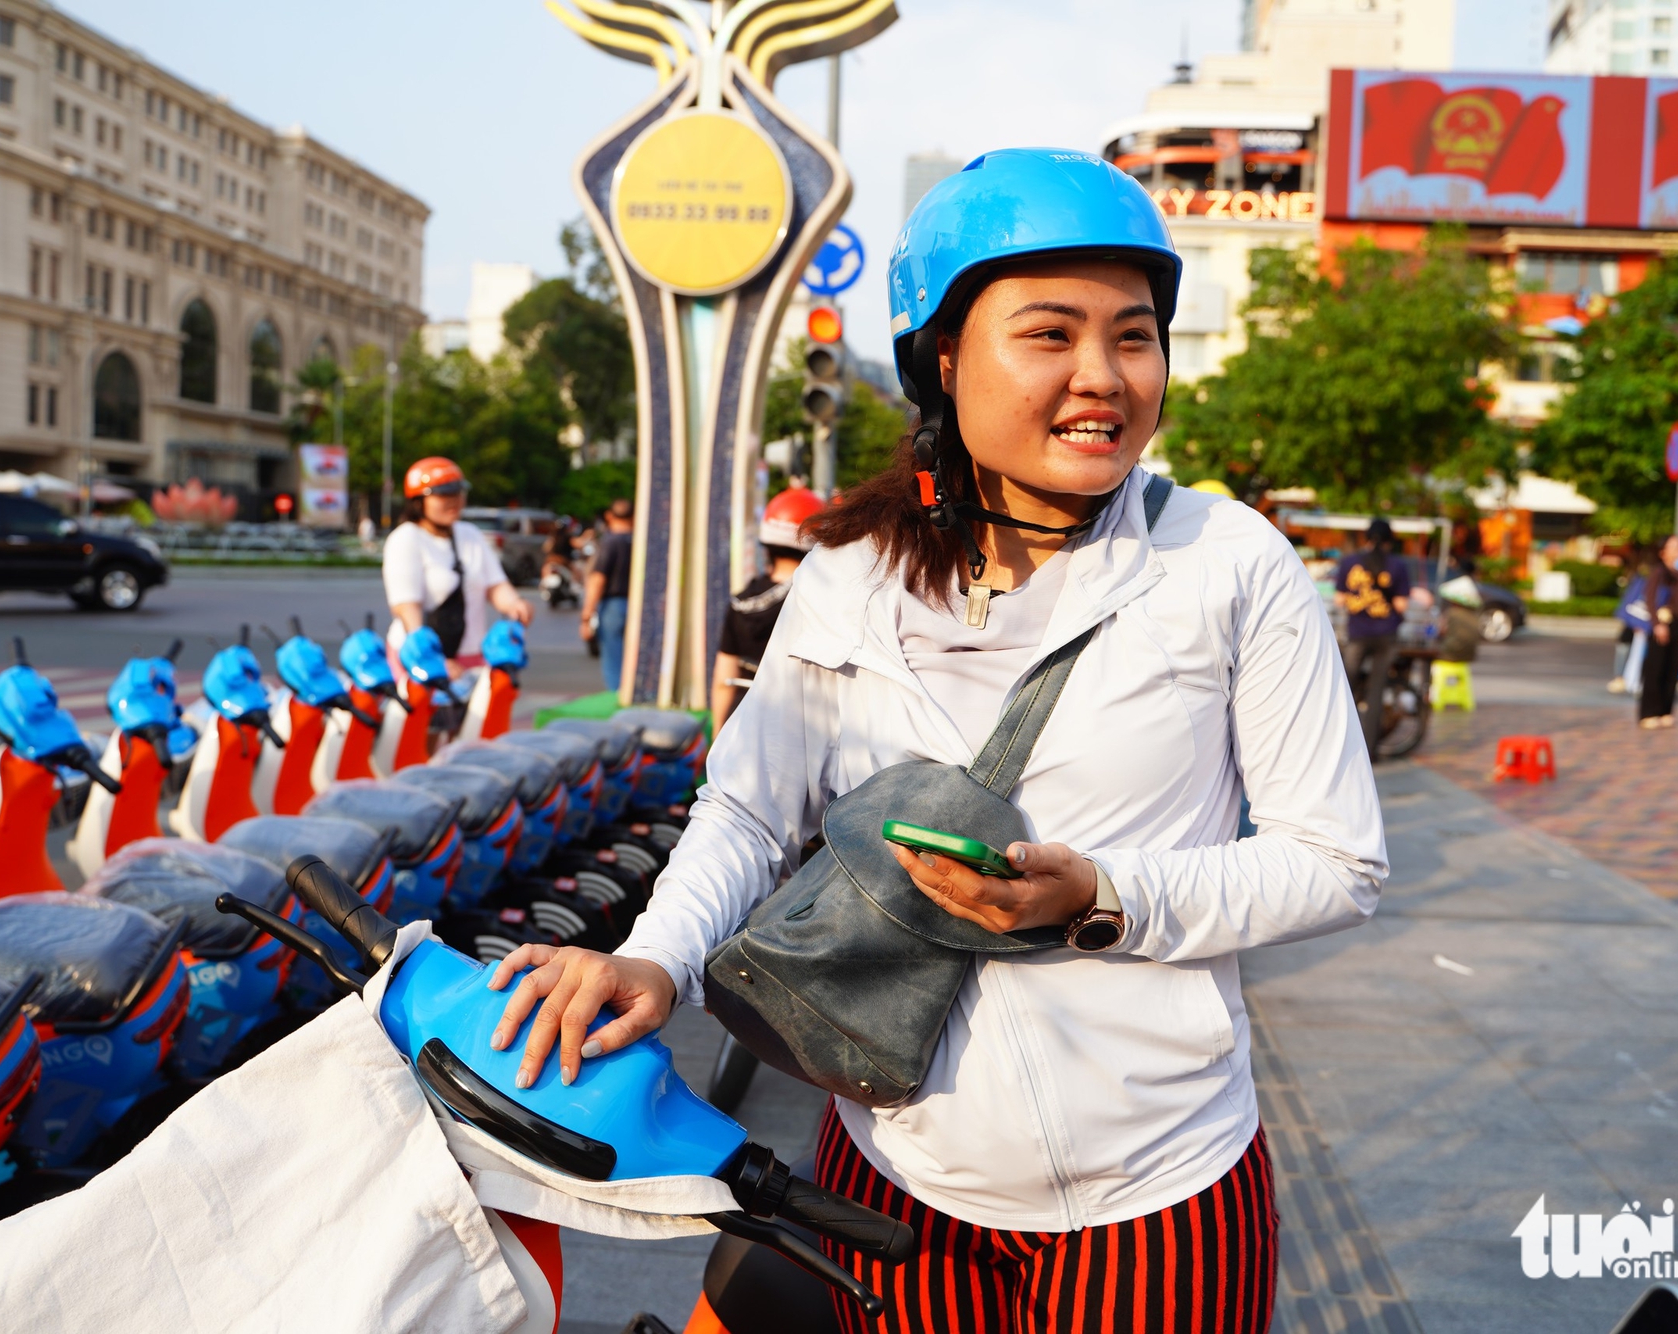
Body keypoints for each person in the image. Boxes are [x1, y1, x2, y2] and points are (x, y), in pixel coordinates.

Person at [483, 148, 1384, 1334]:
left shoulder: (1227, 565)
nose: (1101, 377)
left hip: (1162, 1192)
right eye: (1049, 334)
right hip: (892, 1182)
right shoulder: (849, 580)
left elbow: (1335, 860)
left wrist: (1104, 896)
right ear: (944, 356)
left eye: (1132, 335)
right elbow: (750, 811)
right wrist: (652, 959)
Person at [382, 457, 532, 669]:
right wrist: (433, 660)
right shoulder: (406, 539)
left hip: (472, 656)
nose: (454, 500)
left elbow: (495, 585)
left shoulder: (470, 534)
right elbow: (407, 607)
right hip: (420, 658)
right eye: (444, 494)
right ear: (419, 502)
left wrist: (515, 604)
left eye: (458, 492)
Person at [711, 481, 823, 734]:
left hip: (742, 719)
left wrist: (718, 736)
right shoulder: (820, 603)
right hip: (799, 724)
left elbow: (723, 680)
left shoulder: (741, 602)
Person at [1335, 517, 1412, 759]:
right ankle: (1369, 751)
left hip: (1358, 634)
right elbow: (1401, 605)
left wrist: (1359, 602)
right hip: (1386, 635)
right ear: (1389, 541)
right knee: (1377, 692)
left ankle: (1338, 744)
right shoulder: (1397, 566)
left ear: (1366, 538)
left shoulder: (1350, 562)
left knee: (1344, 688)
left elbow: (1338, 600)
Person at [582, 496, 635, 691]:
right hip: (639, 607)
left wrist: (586, 615)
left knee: (614, 661)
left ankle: (618, 698)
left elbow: (597, 579)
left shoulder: (610, 542)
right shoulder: (641, 543)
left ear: (609, 516)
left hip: (614, 605)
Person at [1638, 537, 1678, 729]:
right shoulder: (1659, 572)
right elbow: (1650, 600)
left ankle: (1665, 710)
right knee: (1656, 668)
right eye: (1674, 547)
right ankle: (1649, 712)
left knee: (1671, 669)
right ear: (1663, 553)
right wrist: (1656, 624)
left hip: (1677, 623)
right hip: (1661, 623)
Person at [1610, 557, 1651, 694]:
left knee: (1635, 652)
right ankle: (1620, 677)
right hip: (1632, 624)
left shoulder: (1644, 581)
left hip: (1642, 625)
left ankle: (1633, 679)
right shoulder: (1639, 582)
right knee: (1624, 648)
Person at [1436, 575, 1483, 664]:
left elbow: (1441, 631)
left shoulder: (1452, 613)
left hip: (1451, 654)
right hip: (1469, 655)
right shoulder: (1473, 615)